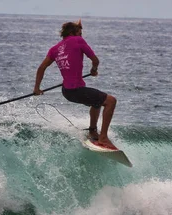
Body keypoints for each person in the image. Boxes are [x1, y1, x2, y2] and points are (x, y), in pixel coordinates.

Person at [33, 20, 117, 149]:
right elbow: (95, 60)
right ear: (73, 32)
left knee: (97, 101)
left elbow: (41, 68)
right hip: (77, 90)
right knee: (110, 101)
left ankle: (93, 130)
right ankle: (103, 138)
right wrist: (93, 70)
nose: (81, 36)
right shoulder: (78, 41)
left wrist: (37, 88)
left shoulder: (54, 49)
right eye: (80, 33)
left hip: (67, 91)